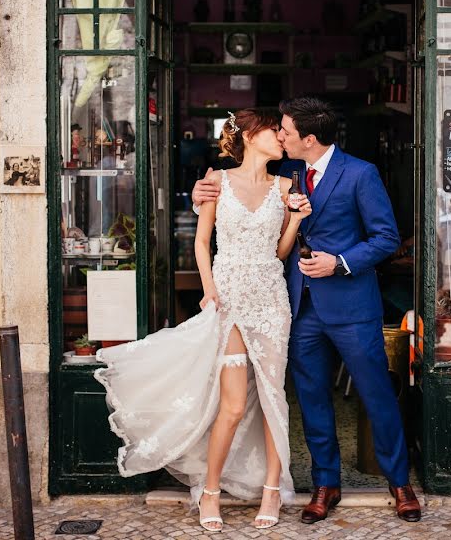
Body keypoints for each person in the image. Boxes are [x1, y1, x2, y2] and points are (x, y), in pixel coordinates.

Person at [192, 96, 422, 523]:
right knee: (312, 398)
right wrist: (198, 192)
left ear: (309, 138)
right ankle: (325, 483)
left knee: (376, 394)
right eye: (277, 129)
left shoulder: (361, 173)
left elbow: (387, 237)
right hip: (297, 305)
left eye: (286, 131)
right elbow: (239, 193)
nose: (280, 135)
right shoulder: (286, 172)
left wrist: (341, 262)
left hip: (352, 305)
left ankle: (399, 483)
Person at [94, 108, 312, 533]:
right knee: (231, 405)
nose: (281, 138)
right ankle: (210, 489)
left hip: (270, 302)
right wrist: (209, 290)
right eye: (274, 131)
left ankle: (272, 489)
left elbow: (280, 253)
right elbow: (201, 242)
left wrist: (297, 220)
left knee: (272, 400)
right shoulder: (217, 182)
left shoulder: (285, 186)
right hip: (228, 299)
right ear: (250, 136)